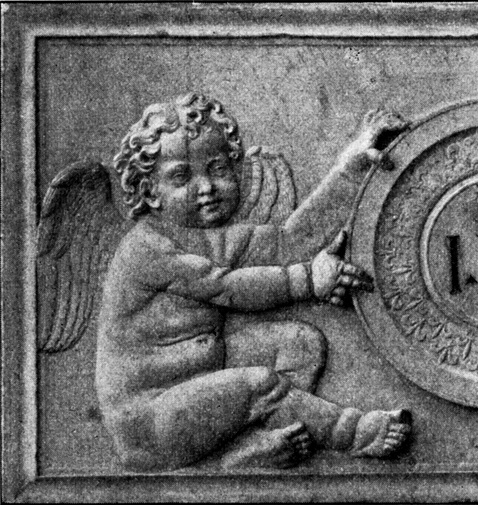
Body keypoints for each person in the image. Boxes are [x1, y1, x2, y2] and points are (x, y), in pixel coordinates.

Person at [96, 93, 411, 471]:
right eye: (181, 176)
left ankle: (253, 443)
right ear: (150, 191)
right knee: (259, 385)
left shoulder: (211, 236)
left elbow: (290, 242)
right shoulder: (147, 248)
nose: (206, 187)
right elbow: (226, 287)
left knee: (299, 345)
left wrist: (351, 169)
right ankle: (355, 432)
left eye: (217, 168)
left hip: (200, 379)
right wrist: (308, 279)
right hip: (151, 423)